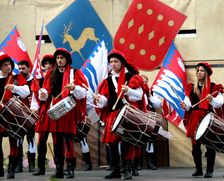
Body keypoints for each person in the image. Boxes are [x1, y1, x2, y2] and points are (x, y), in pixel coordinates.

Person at [95, 49, 146, 180]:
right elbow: (106, 100)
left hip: (127, 113)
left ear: (122, 62)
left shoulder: (131, 77)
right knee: (111, 143)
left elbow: (139, 95)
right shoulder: (107, 80)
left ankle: (127, 169)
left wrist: (128, 90)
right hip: (113, 113)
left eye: (116, 61)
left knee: (126, 142)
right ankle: (116, 170)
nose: (113, 64)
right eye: (111, 61)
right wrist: (100, 100)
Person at [38, 48, 88, 179]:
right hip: (54, 107)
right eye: (58, 58)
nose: (59, 60)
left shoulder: (75, 72)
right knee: (56, 140)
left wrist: (74, 88)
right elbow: (46, 90)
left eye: (62, 58)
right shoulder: (50, 73)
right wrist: (42, 94)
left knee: (68, 139)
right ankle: (59, 169)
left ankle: (70, 168)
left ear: (67, 60)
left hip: (67, 110)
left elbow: (84, 92)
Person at [180, 62, 224, 178]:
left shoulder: (213, 87)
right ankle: (199, 169)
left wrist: (212, 99)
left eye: (201, 70)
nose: (199, 72)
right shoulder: (192, 87)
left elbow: (219, 103)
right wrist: (184, 105)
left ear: (206, 73)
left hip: (207, 117)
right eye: (197, 71)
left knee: (210, 146)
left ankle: (210, 170)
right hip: (195, 117)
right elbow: (188, 104)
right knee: (195, 147)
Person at [0, 53, 30, 178]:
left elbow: (27, 91)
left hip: (13, 114)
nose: (8, 67)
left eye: (10, 64)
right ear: (0, 67)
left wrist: (14, 87)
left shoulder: (17, 78)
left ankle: (11, 169)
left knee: (14, 142)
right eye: (5, 65)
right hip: (0, 113)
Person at [31, 54, 56, 176]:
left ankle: (60, 167)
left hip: (55, 109)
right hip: (44, 111)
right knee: (41, 140)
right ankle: (41, 167)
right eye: (46, 64)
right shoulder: (39, 78)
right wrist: (34, 108)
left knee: (57, 140)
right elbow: (35, 99)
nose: (48, 66)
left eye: (50, 63)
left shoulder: (58, 76)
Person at [15, 60, 36, 173]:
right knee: (19, 139)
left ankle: (32, 164)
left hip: (31, 113)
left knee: (31, 139)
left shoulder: (36, 81)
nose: (21, 71)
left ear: (29, 68)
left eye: (23, 68)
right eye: (19, 68)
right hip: (19, 114)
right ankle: (19, 164)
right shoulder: (16, 80)